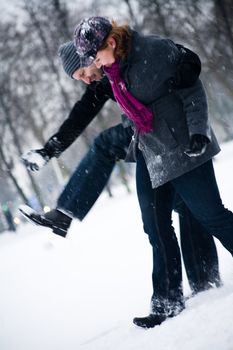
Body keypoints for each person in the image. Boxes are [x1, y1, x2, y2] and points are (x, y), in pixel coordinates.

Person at [73, 16, 233, 328]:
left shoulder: (153, 51)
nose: (95, 64)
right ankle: (167, 301)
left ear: (111, 42)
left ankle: (194, 283)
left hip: (185, 148)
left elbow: (192, 88)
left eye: (95, 57)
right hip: (152, 154)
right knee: (154, 225)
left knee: (211, 215)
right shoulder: (115, 70)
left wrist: (198, 132)